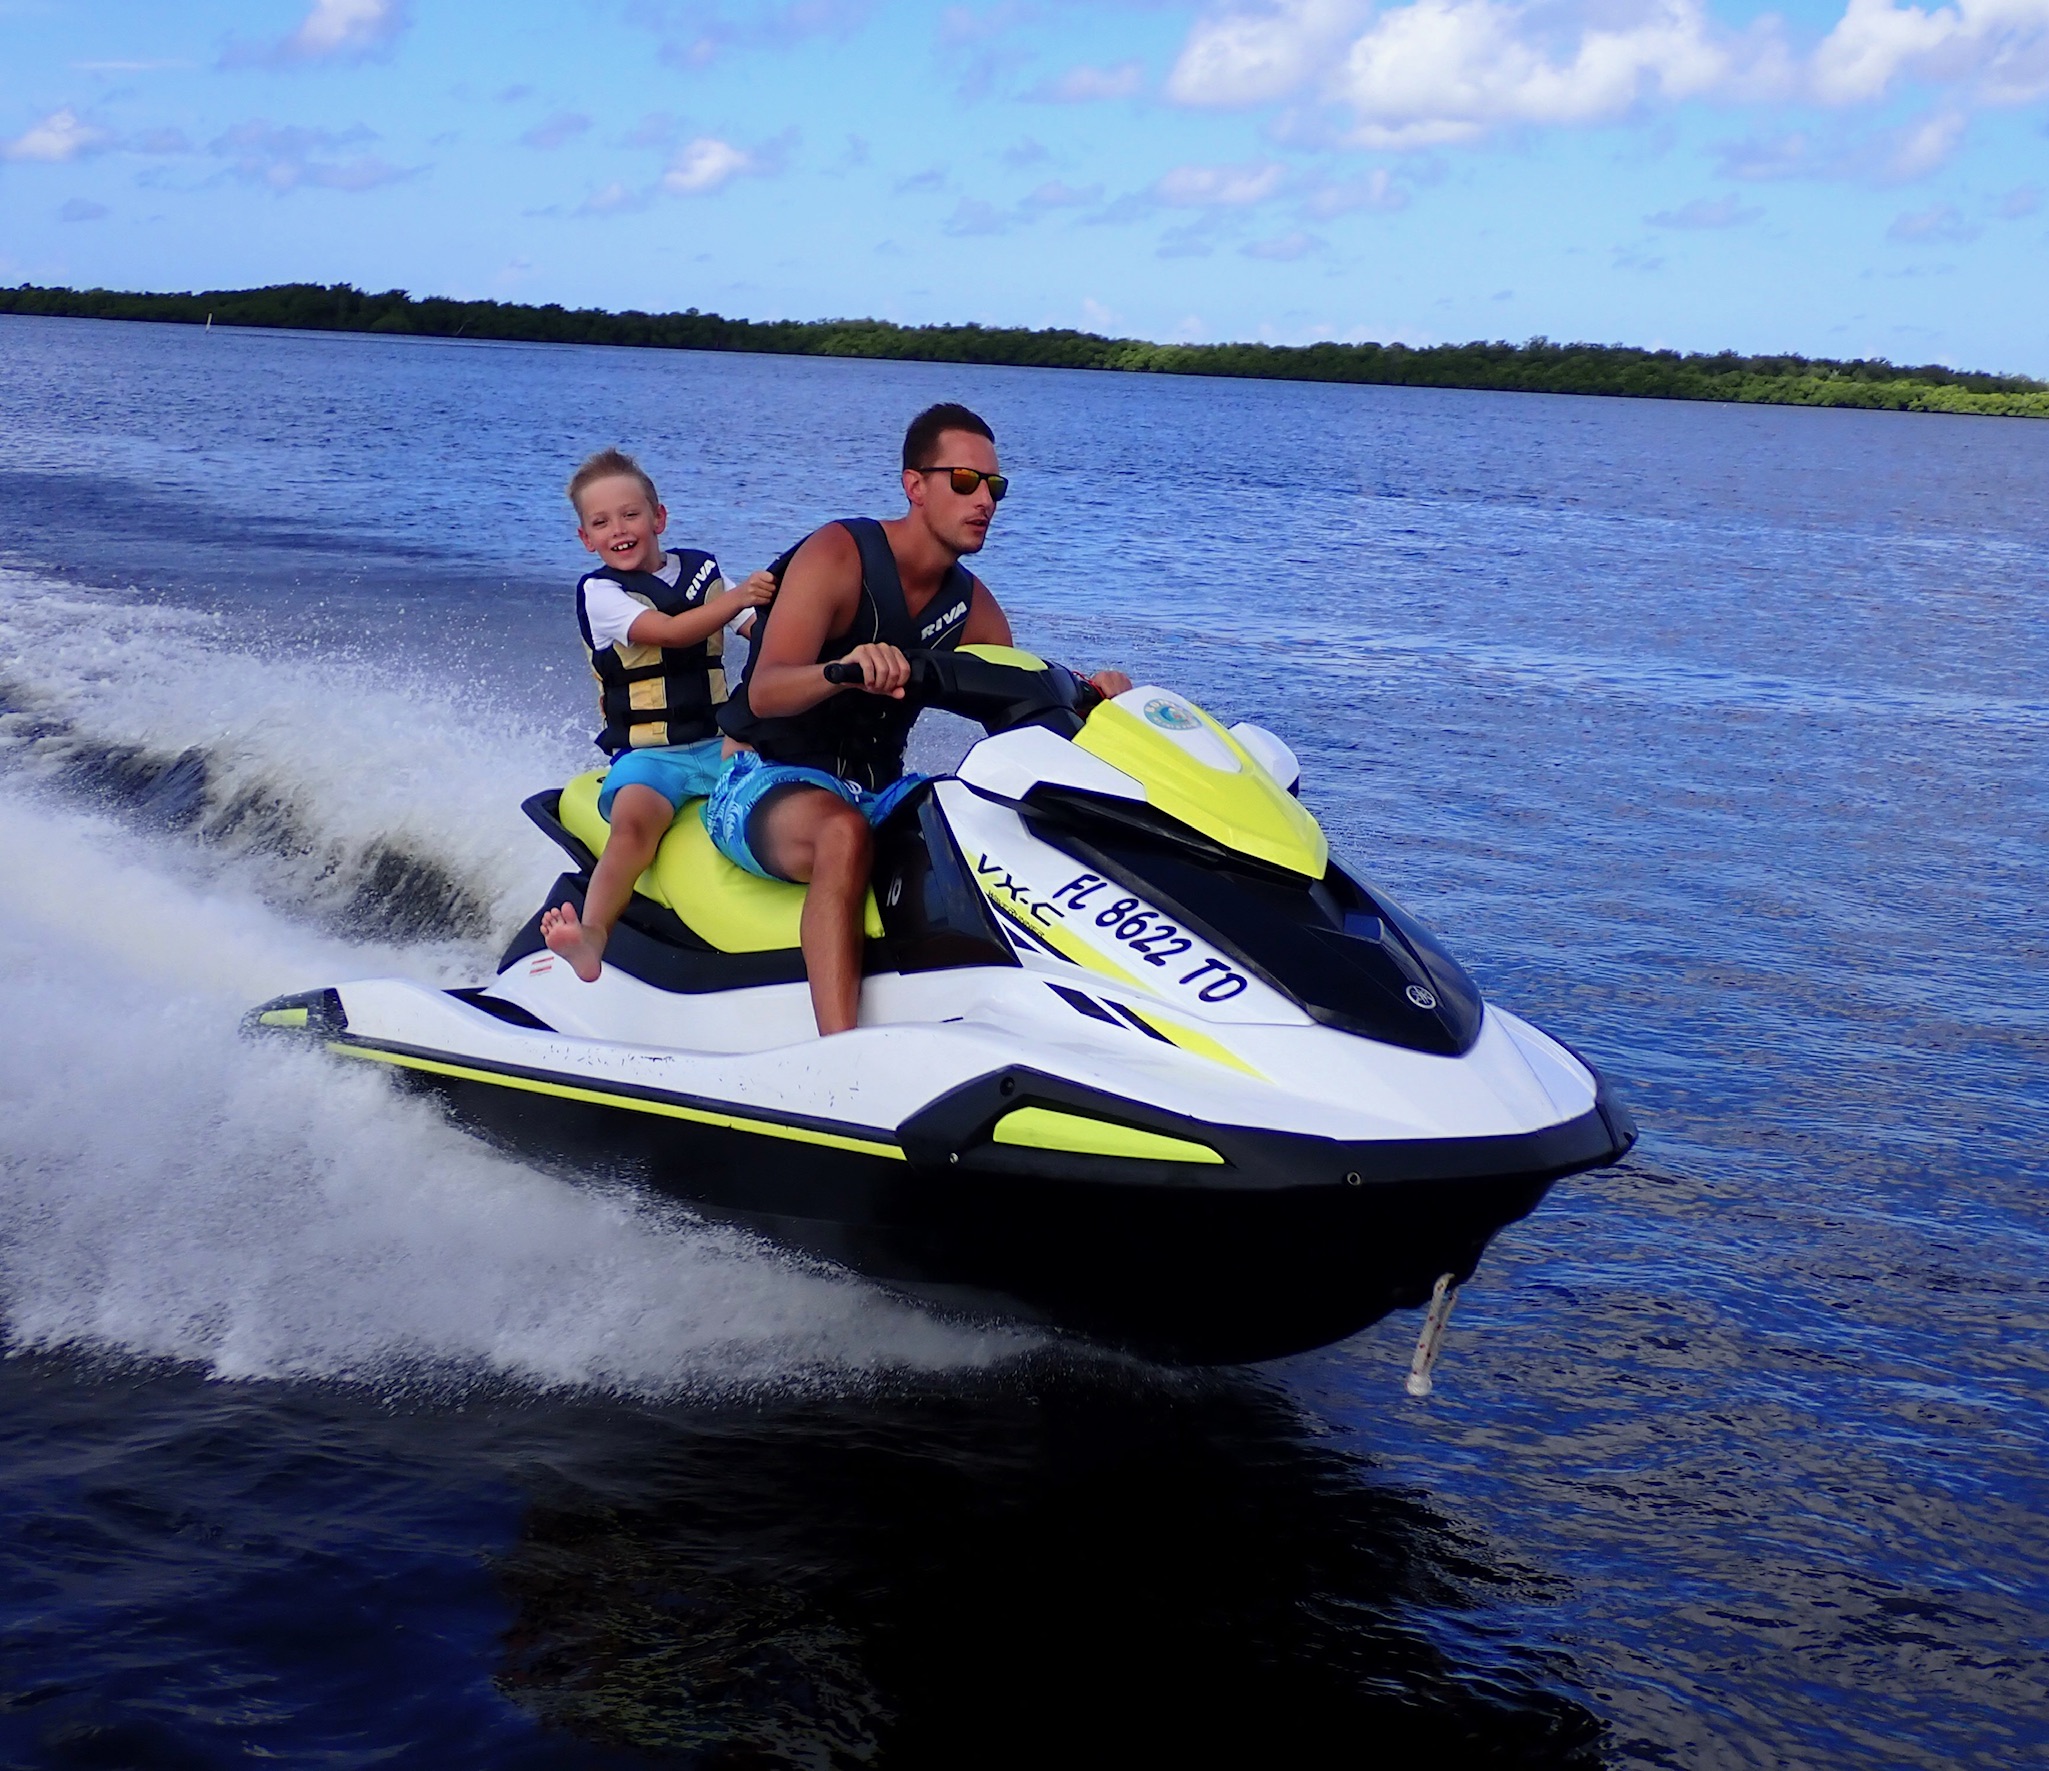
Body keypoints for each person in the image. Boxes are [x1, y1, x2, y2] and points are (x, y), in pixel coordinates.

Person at [711, 402, 1131, 1035]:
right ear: (915, 485)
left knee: (979, 824)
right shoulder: (839, 553)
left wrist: (1096, 700)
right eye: (965, 481)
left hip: (876, 789)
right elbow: (767, 691)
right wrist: (843, 669)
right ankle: (839, 1053)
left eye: (995, 486)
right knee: (842, 834)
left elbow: (1020, 711)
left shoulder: (974, 609)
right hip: (763, 777)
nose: (984, 500)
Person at [540, 447, 774, 981]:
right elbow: (670, 633)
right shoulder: (602, 595)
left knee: (790, 794)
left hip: (723, 741)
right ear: (586, 539)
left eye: (630, 514)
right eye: (601, 522)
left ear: (658, 518)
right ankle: (593, 935)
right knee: (633, 827)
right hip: (652, 757)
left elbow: (759, 633)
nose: (618, 529)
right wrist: (740, 596)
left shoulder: (704, 572)